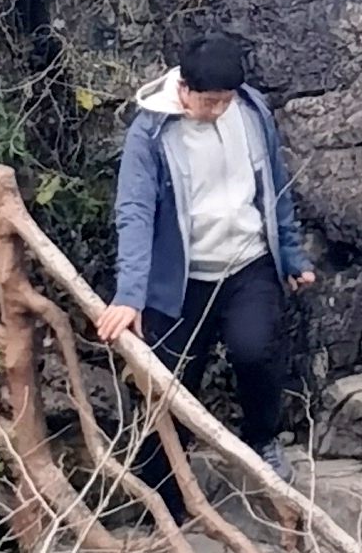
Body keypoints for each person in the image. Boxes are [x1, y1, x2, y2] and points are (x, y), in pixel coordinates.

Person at [96, 33, 314, 505]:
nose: (217, 110)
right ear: (184, 88)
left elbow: (275, 185)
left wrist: (291, 253)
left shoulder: (251, 110)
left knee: (256, 352)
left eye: (224, 101)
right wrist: (130, 294)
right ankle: (162, 502)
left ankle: (262, 440)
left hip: (248, 263)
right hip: (181, 280)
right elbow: (134, 212)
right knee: (169, 387)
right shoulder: (150, 133)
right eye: (208, 101)